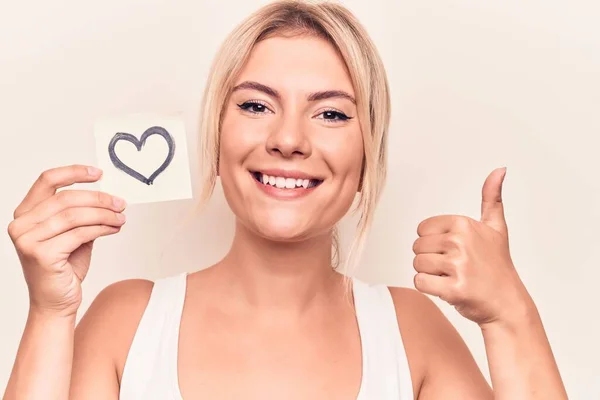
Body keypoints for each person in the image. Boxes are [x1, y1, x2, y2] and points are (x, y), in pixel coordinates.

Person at [4, 1, 568, 399]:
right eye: (254, 106)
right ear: (216, 134)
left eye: (331, 113)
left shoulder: (412, 334)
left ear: (367, 154)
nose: (289, 139)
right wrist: (50, 314)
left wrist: (510, 317)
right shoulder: (127, 322)